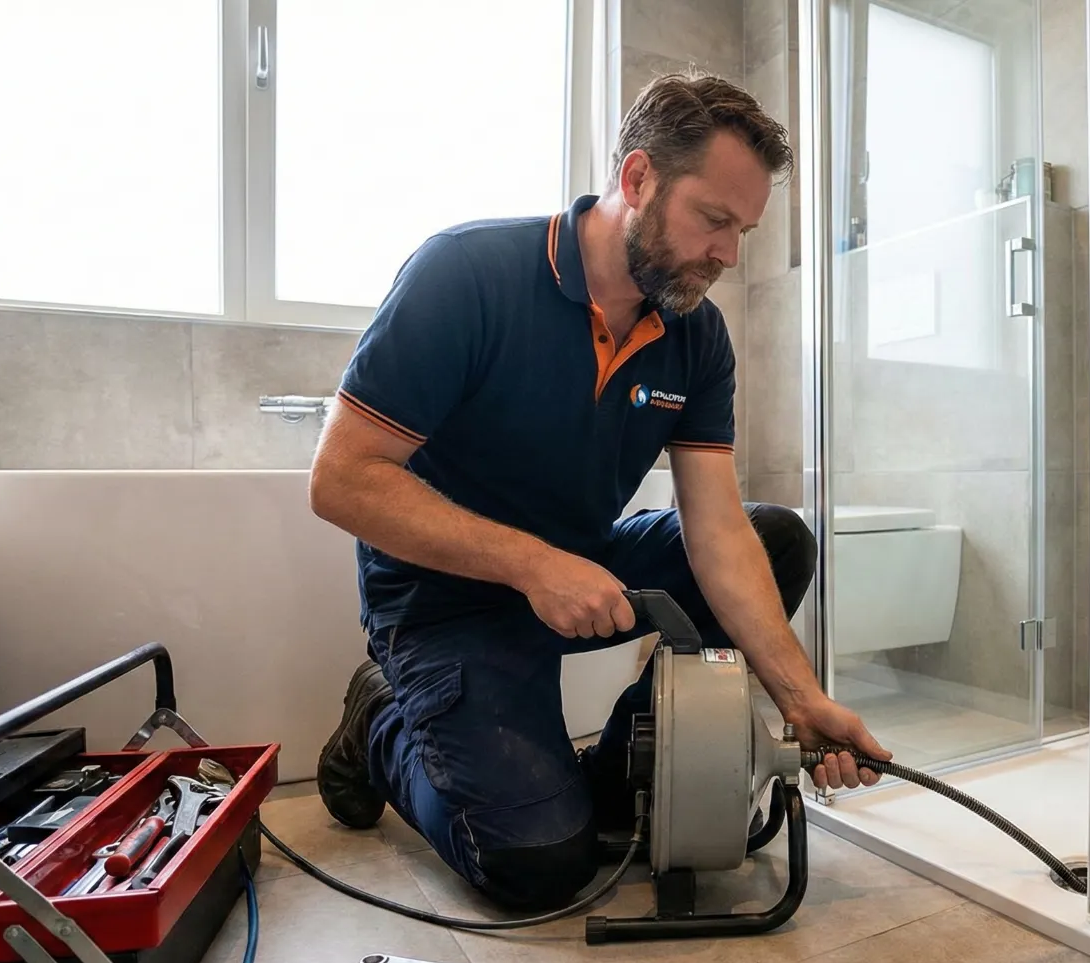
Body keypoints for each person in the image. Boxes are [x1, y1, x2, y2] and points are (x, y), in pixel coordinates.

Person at [307, 72, 892, 911]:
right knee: (539, 867)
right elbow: (341, 481)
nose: (729, 255)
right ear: (638, 178)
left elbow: (716, 530)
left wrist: (802, 700)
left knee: (776, 538)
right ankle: (380, 722)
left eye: (744, 230)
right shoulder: (467, 274)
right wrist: (534, 566)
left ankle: (627, 766)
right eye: (714, 219)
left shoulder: (695, 335)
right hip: (444, 602)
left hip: (583, 569)